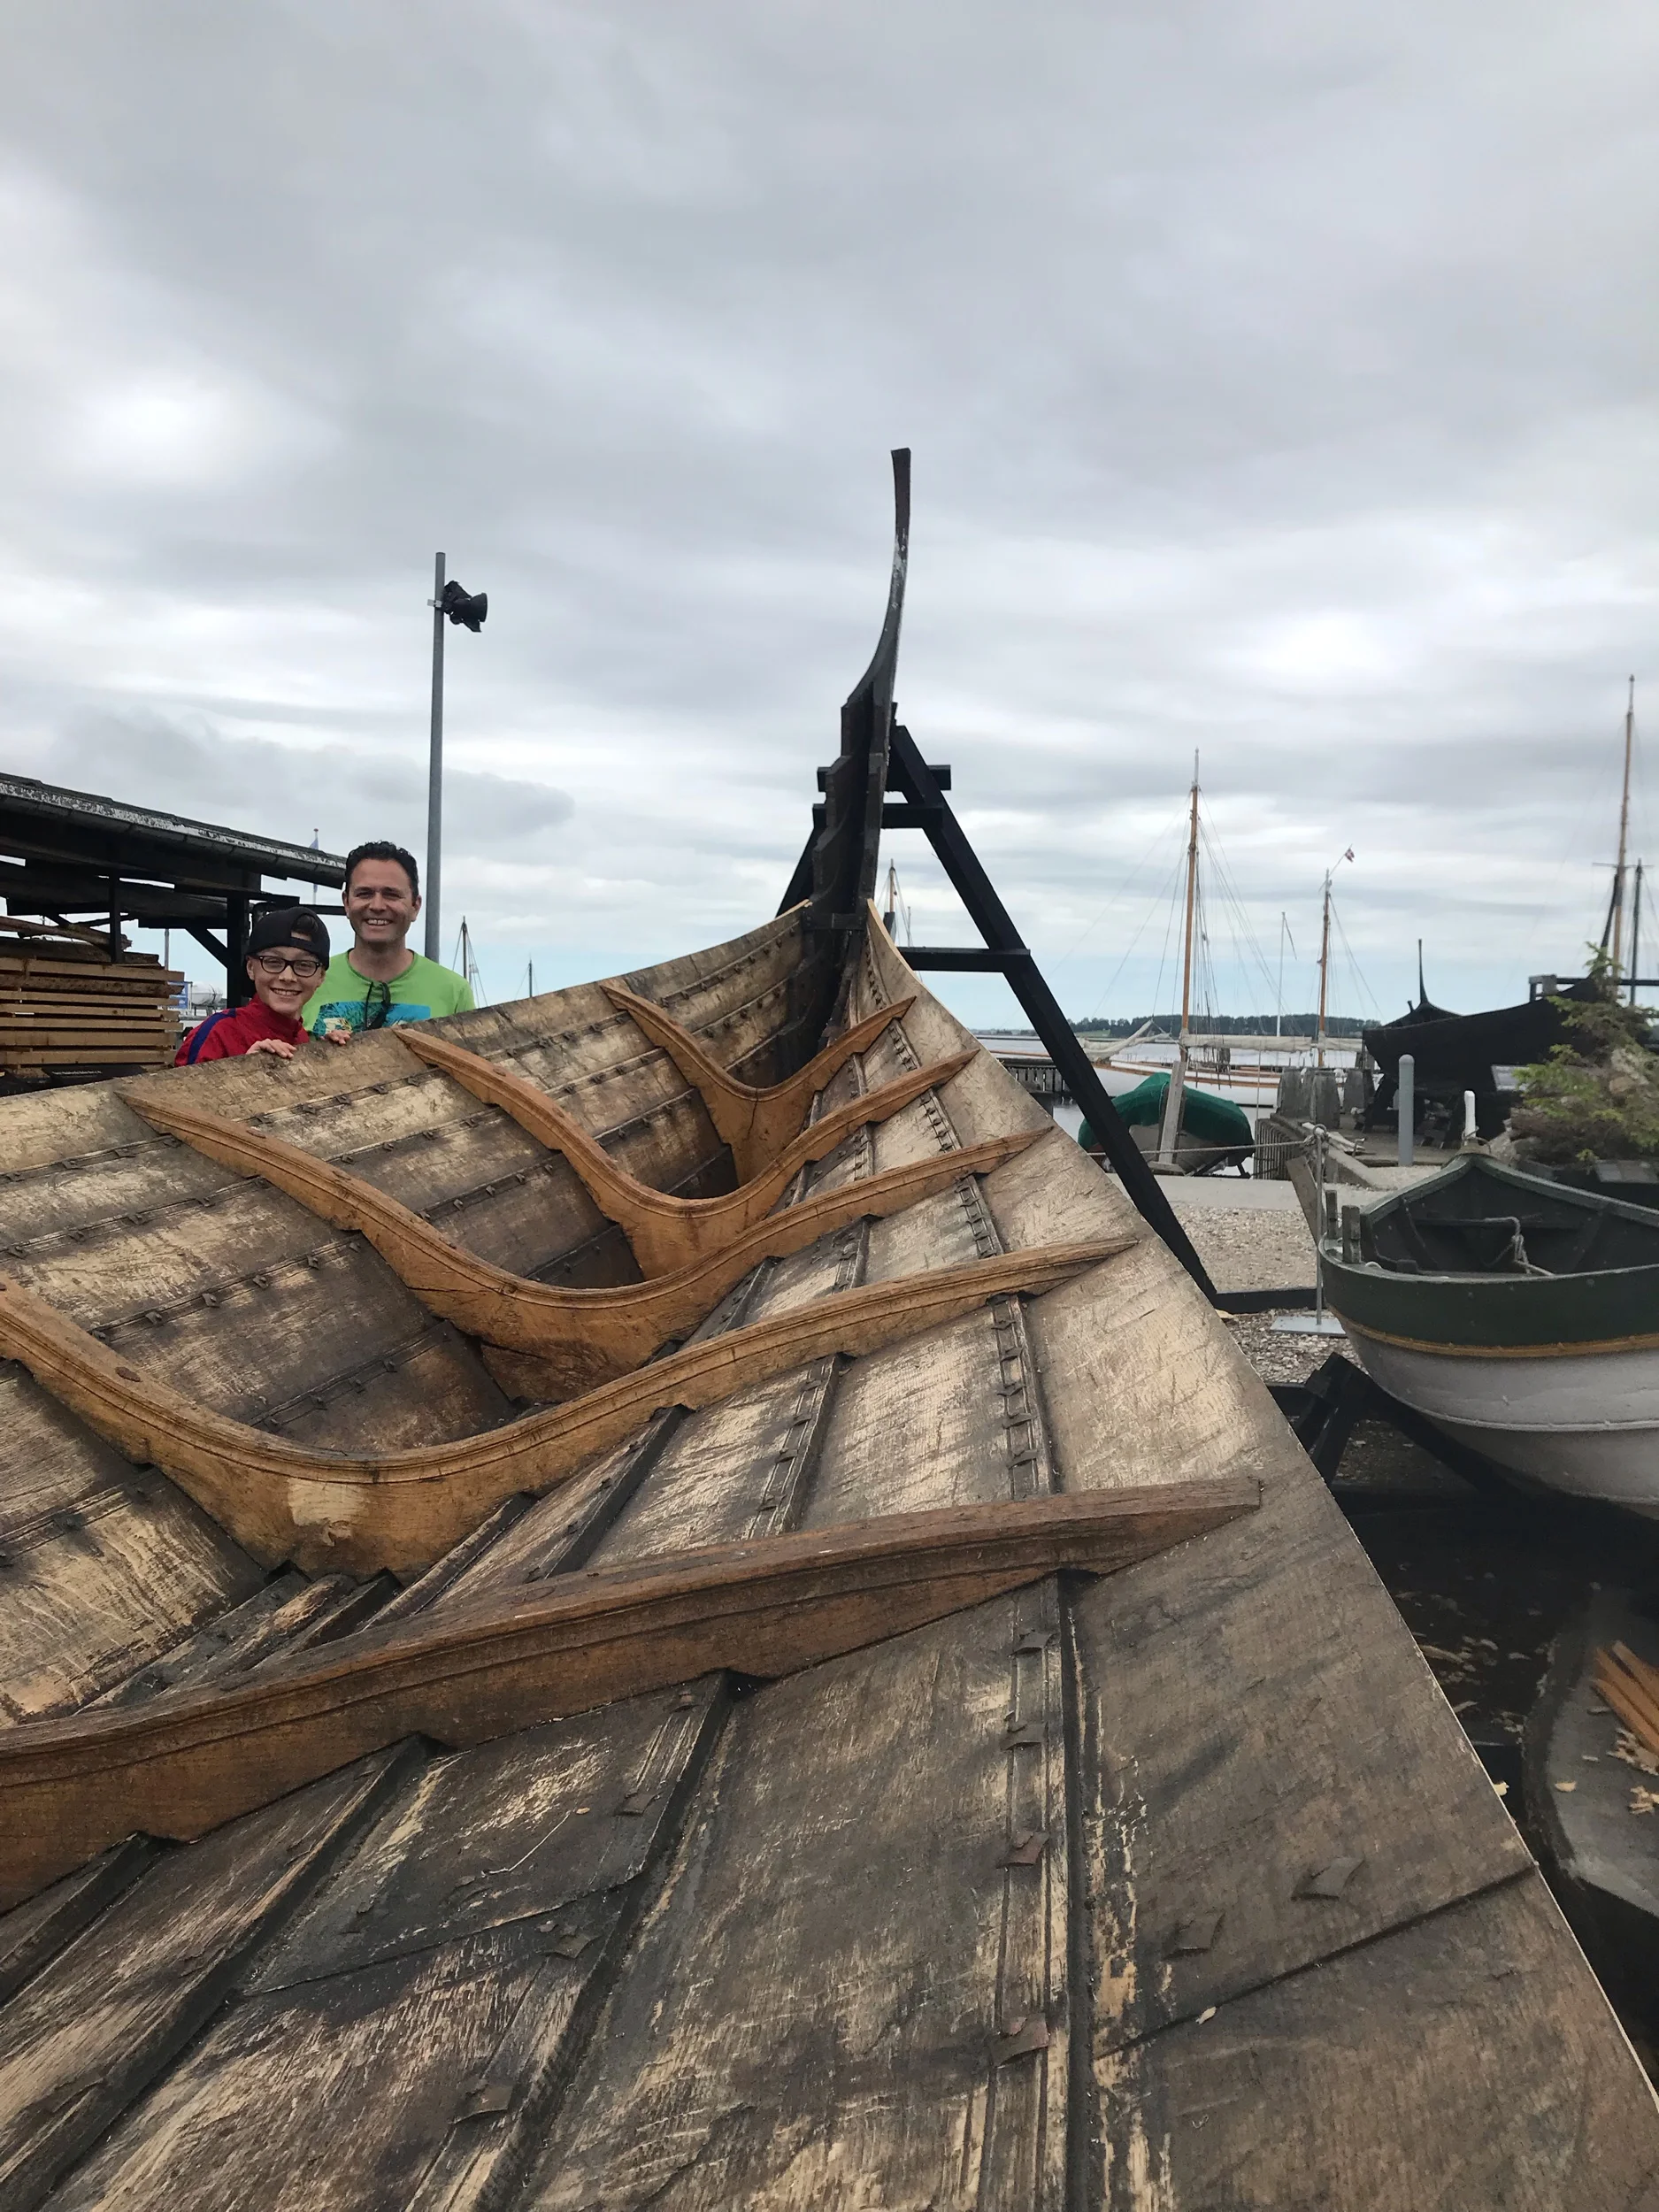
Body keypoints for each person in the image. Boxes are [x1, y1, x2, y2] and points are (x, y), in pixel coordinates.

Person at [302, 840, 475, 1037]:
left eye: (391, 894)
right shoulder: (308, 981)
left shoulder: (453, 992)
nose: (377, 906)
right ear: (347, 903)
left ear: (415, 906)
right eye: (364, 893)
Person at [175, 908, 338, 1064]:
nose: (287, 977)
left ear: (321, 976)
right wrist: (247, 1070)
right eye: (273, 962)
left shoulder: (303, 1038)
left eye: (304, 965)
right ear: (251, 968)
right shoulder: (215, 1035)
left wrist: (332, 1058)